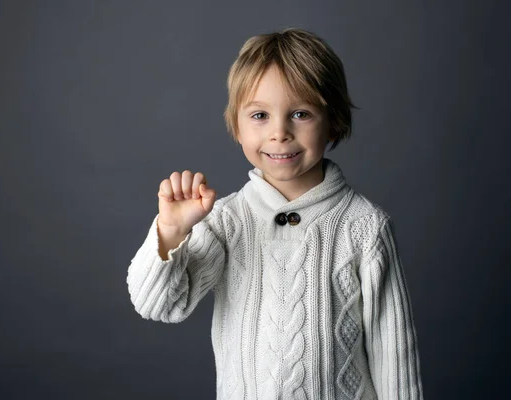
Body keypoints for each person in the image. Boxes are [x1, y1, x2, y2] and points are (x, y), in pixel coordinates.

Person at [127, 28, 424, 400]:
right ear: (236, 124)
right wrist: (171, 230)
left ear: (333, 121)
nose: (279, 133)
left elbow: (394, 351)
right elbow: (160, 305)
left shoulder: (364, 226)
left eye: (300, 113)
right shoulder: (226, 221)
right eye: (260, 115)